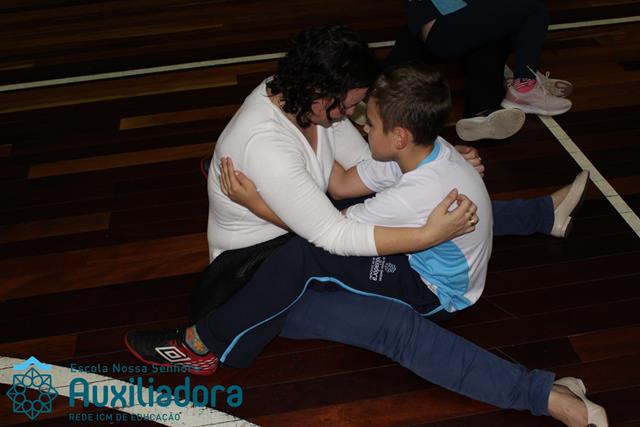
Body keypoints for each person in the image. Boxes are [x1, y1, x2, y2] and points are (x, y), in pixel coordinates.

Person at [125, 26, 601, 426]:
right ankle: (200, 343)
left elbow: (353, 176)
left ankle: (542, 215)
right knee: (389, 318)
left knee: (415, 204)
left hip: (306, 241)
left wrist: (438, 161)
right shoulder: (271, 143)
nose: (353, 119)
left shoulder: (310, 101)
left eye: (361, 112)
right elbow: (330, 233)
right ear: (321, 96)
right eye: (349, 108)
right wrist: (427, 230)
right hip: (255, 276)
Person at [383, 0, 573, 142]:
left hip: (440, 25)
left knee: (493, 35)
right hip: (444, 26)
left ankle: (479, 116)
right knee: (534, 9)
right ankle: (524, 84)